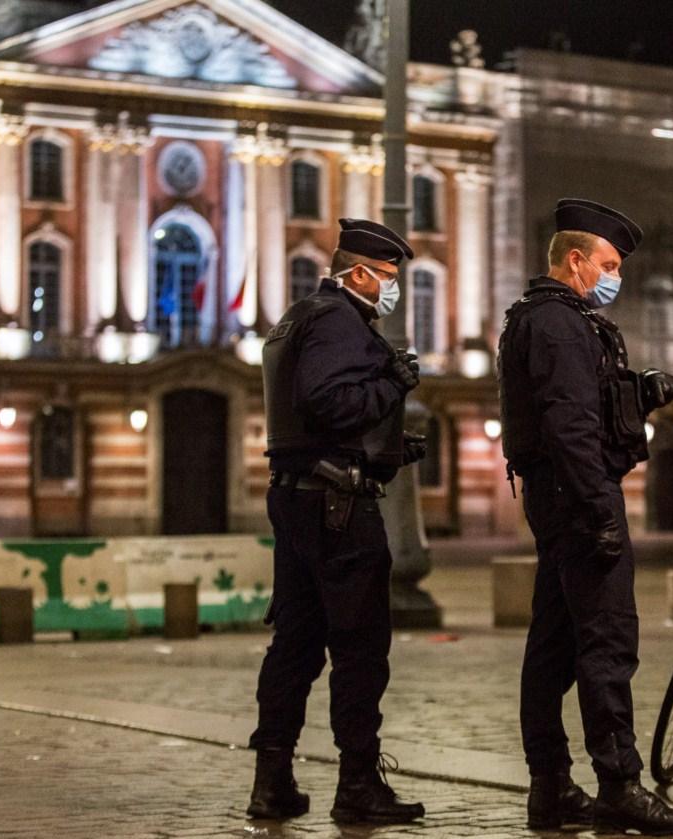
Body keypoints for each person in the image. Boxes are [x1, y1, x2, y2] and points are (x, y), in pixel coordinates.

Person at [498, 198, 673, 835]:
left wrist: (638, 393)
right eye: (608, 264)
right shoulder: (558, 323)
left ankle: (550, 787)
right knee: (607, 643)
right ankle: (619, 784)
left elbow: (582, 404)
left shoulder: (555, 320)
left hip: (561, 496)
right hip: (578, 496)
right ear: (575, 260)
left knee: (553, 645)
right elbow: (569, 425)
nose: (616, 277)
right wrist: (597, 510)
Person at [247, 218, 428, 825]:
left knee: (295, 645)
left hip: (302, 498)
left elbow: (312, 421)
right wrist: (390, 385)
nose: (390, 290)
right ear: (358, 273)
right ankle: (357, 786)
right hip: (338, 510)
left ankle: (272, 781)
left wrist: (392, 446)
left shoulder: (300, 318)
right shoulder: (337, 320)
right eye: (386, 278)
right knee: (360, 648)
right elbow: (329, 401)